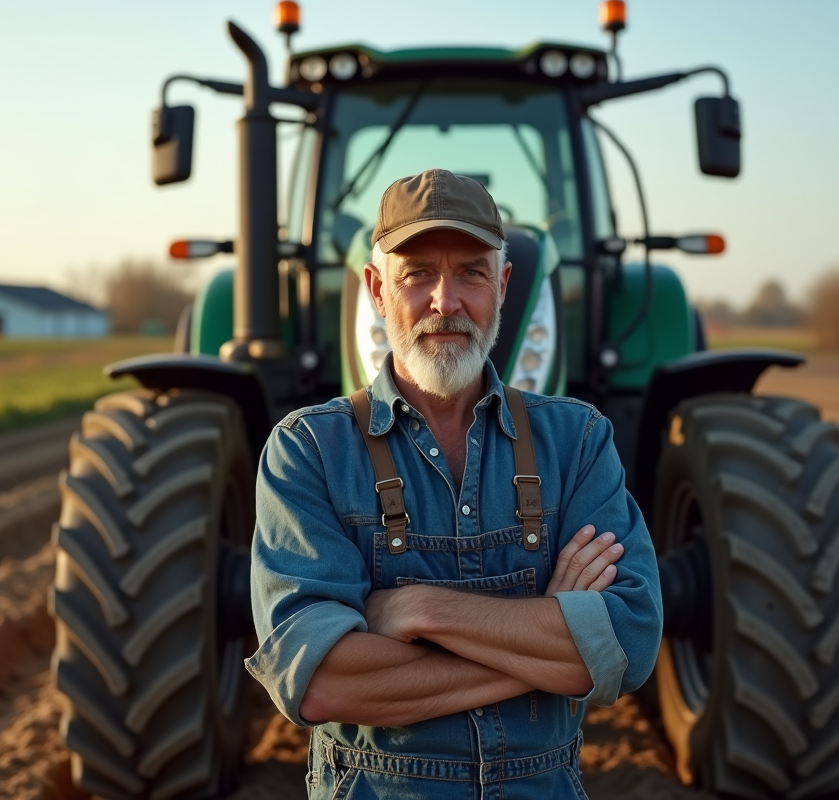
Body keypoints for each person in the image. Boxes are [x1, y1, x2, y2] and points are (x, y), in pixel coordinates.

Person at [246, 168, 662, 798]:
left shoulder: (577, 441)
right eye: (416, 274)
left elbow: (625, 642)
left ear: (503, 284)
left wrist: (418, 609)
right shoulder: (308, 450)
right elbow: (322, 680)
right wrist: (552, 638)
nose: (446, 301)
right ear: (377, 291)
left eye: (471, 271)